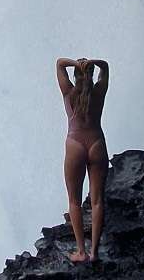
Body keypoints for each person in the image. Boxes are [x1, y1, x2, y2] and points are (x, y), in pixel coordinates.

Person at [56, 56, 110, 263]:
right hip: (97, 143)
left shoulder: (69, 92)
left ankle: (81, 252)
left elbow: (59, 63)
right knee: (97, 201)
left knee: (74, 201)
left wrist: (76, 64)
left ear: (76, 74)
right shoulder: (98, 92)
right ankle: (95, 253)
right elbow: (105, 66)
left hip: (75, 145)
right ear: (91, 74)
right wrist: (93, 62)